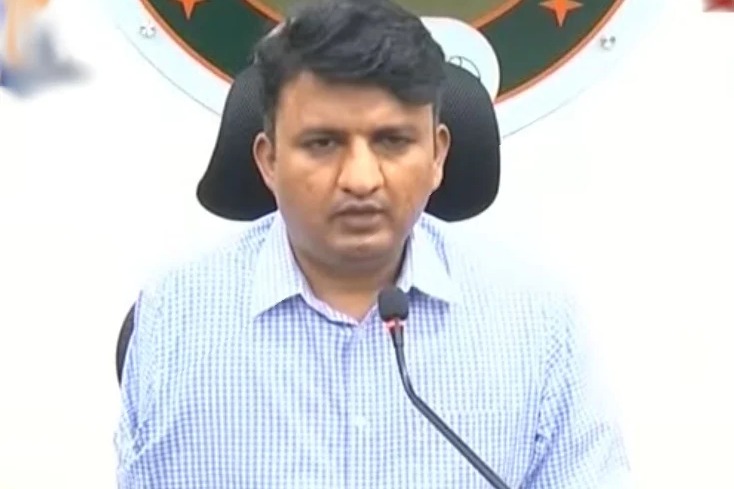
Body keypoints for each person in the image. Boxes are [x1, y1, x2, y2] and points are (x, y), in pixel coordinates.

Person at [115, 0, 631, 487]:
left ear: (437, 155)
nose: (361, 179)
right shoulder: (177, 316)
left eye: (392, 141)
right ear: (268, 160)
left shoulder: (535, 322)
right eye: (323, 143)